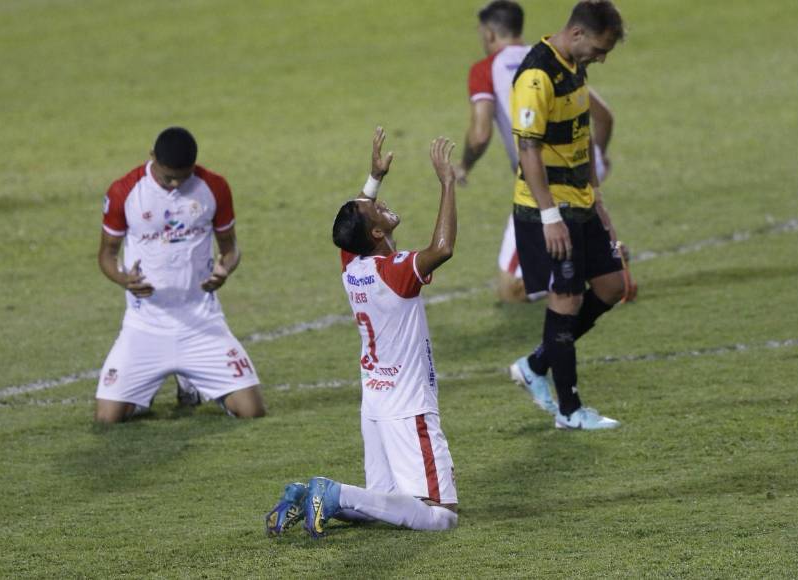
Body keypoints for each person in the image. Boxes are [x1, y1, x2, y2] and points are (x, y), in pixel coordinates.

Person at [265, 128, 459, 537]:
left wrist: (374, 177)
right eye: (376, 210)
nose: (381, 205)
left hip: (375, 400)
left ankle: (306, 494)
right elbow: (442, 249)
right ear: (375, 234)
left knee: (383, 506)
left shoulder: (353, 268)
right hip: (408, 406)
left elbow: (353, 221)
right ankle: (333, 492)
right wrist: (446, 184)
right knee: (441, 515)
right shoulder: (395, 273)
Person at [455, 0, 632, 304]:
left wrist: (463, 166)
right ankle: (607, 261)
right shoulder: (552, 58)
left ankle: (605, 270)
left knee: (513, 290)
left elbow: (480, 135)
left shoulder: (488, 70)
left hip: (545, 180)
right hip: (580, 167)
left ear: (488, 33)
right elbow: (603, 117)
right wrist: (596, 160)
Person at [506, 0, 627, 430]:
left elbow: (583, 135)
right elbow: (528, 150)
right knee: (568, 298)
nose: (602, 57)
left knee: (614, 286)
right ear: (577, 34)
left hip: (580, 200)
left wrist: (597, 198)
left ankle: (536, 364)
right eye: (600, 48)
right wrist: (550, 215)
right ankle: (570, 410)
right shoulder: (537, 76)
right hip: (549, 208)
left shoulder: (575, 64)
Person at [94, 127, 266, 423]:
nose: (174, 184)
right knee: (107, 418)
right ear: (152, 158)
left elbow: (230, 247)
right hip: (144, 325)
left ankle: (192, 380)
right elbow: (107, 254)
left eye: (182, 178)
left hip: (202, 323)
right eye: (167, 177)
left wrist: (225, 268)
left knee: (252, 411)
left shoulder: (214, 187)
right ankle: (145, 392)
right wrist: (124, 280)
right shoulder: (124, 191)